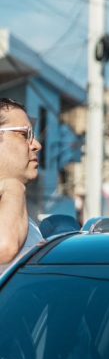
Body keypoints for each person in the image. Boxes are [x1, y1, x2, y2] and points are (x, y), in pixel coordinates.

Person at [0, 98, 42, 276]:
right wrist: (13, 186)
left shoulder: (18, 212)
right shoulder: (13, 192)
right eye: (25, 135)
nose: (36, 145)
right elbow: (5, 247)